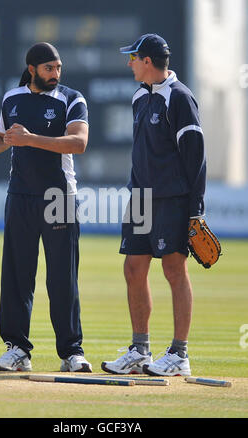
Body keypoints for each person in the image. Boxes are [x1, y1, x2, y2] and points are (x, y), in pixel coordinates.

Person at [0, 42, 92, 373]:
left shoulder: (71, 99)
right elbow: (4, 138)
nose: (56, 74)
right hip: (20, 196)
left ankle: (71, 353)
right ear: (32, 69)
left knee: (63, 278)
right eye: (49, 68)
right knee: (17, 277)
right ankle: (17, 349)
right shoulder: (12, 98)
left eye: (59, 68)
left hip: (60, 197)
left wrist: (31, 138)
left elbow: (79, 143)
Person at [101, 34, 206, 376]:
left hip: (172, 199)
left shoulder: (180, 98)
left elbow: (196, 158)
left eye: (132, 57)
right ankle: (140, 350)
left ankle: (179, 355)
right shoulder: (139, 97)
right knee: (133, 269)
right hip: (140, 197)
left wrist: (195, 211)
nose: (128, 62)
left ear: (147, 61)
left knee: (174, 271)